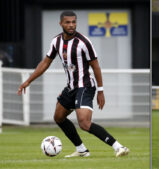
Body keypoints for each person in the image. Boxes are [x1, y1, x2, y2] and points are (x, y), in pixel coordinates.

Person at [17, 11, 129, 158]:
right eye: (68, 22)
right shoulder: (56, 41)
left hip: (86, 85)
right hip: (71, 87)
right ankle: (82, 150)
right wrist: (28, 81)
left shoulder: (84, 42)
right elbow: (45, 63)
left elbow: (95, 66)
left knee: (84, 123)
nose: (71, 25)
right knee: (58, 117)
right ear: (61, 24)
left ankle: (119, 147)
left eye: (74, 22)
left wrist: (101, 91)